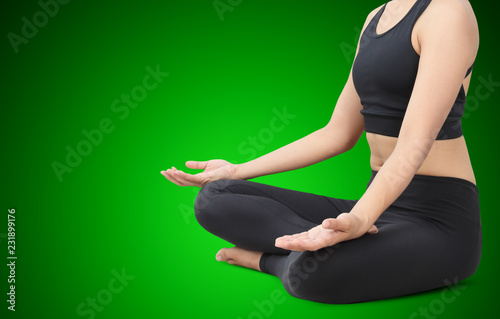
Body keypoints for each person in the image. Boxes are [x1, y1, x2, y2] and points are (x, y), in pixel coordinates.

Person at [161, 0, 481, 304]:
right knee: (215, 197)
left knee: (310, 273)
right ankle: (308, 246)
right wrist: (237, 169)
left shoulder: (448, 11)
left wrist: (359, 218)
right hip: (377, 204)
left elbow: (415, 145)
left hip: (439, 223)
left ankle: (270, 261)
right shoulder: (376, 18)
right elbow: (337, 134)